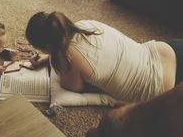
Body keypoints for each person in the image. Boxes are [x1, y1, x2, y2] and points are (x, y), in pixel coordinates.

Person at [25, 11, 179, 102]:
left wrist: (53, 59)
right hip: (165, 50)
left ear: (47, 47)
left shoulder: (68, 61)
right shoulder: (85, 25)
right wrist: (48, 58)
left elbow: (74, 88)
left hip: (161, 87)